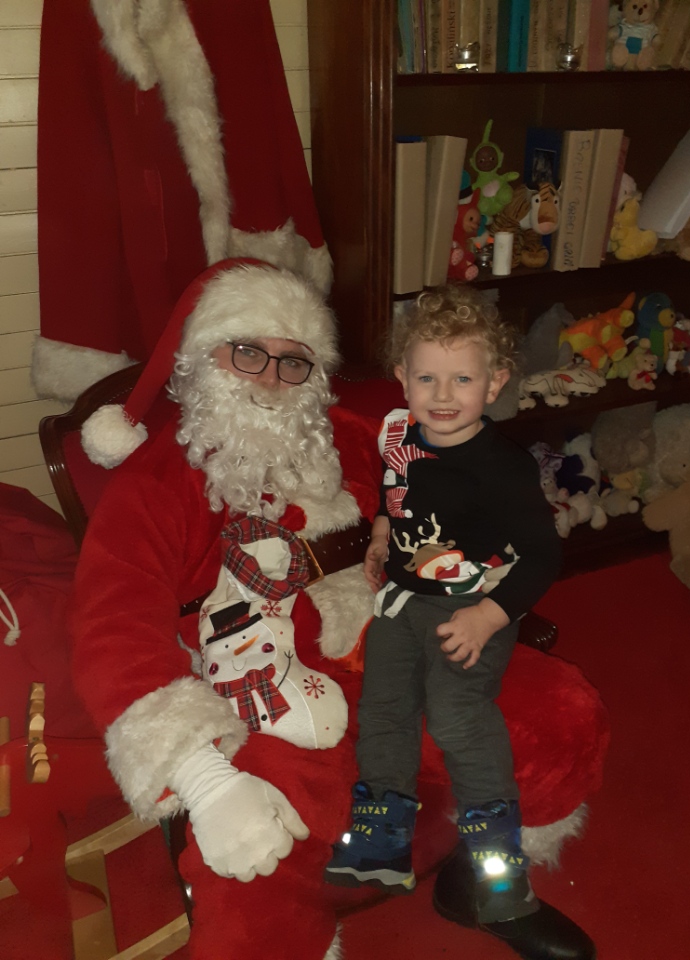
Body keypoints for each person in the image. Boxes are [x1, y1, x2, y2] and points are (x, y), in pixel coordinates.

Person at [71, 260, 597, 960]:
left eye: (293, 361)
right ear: (201, 357)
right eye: (248, 352)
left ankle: (482, 885)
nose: (270, 378)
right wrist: (204, 778)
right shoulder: (155, 483)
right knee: (257, 850)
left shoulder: (346, 433)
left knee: (558, 712)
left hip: (395, 633)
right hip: (260, 680)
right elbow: (111, 633)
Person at [325, 285, 563, 927]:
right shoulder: (401, 434)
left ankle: (499, 864)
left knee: (457, 716)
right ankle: (381, 839)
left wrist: (490, 616)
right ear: (403, 377)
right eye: (427, 377)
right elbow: (396, 489)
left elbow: (543, 556)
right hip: (401, 603)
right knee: (383, 709)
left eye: (463, 378)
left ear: (495, 382)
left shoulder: (502, 468)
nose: (443, 394)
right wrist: (382, 534)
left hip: (475, 603)